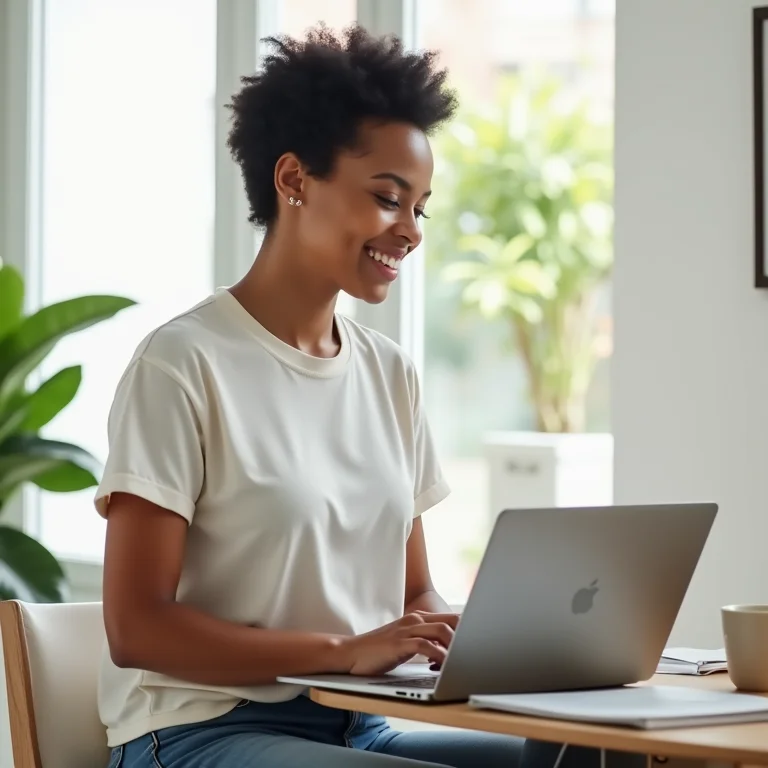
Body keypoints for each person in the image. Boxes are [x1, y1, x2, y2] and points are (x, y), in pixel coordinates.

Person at [97, 23, 643, 768]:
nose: (410, 231)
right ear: (294, 180)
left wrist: (471, 639)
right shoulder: (183, 364)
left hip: (358, 726)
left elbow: (415, 592)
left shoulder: (390, 374)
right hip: (198, 733)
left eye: (421, 207)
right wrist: (343, 650)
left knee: (579, 757)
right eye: (389, 199)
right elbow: (137, 628)